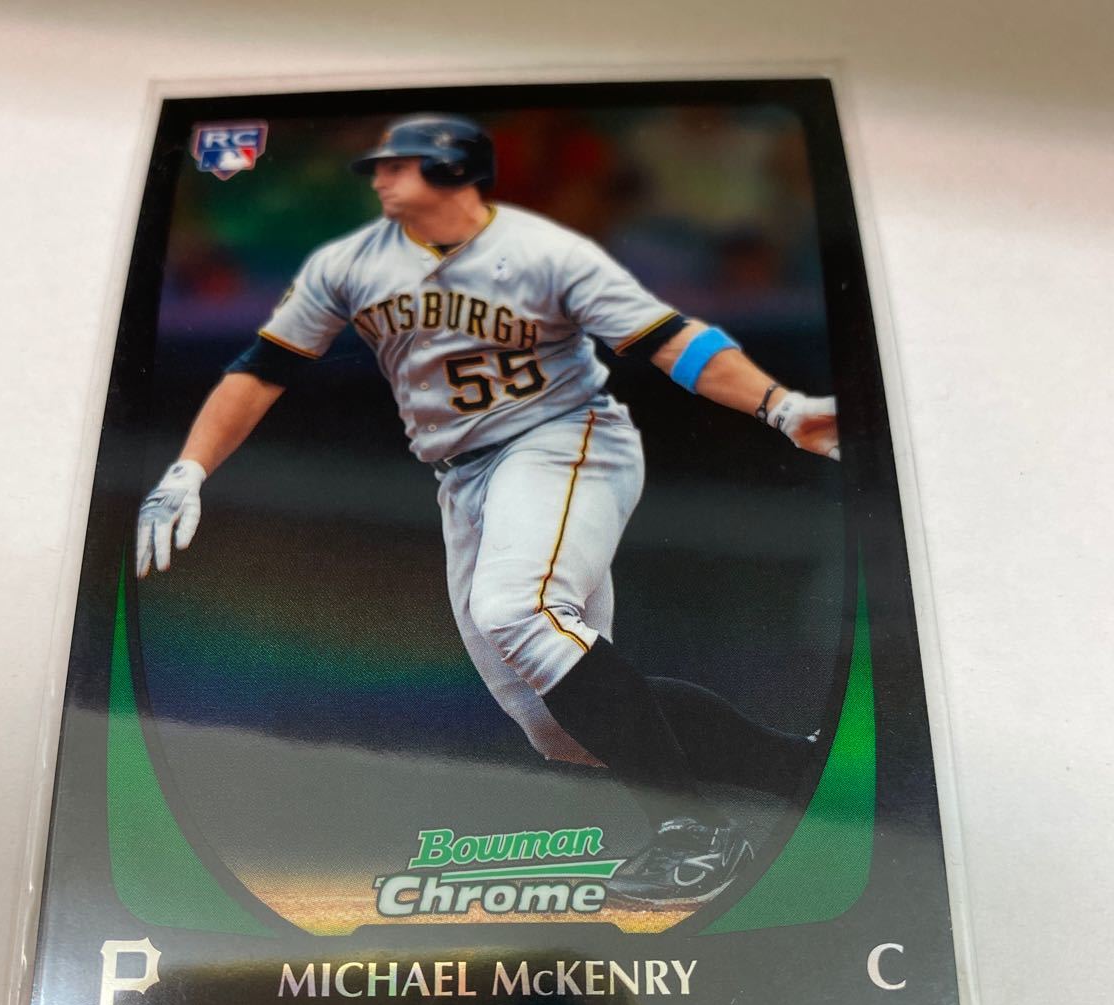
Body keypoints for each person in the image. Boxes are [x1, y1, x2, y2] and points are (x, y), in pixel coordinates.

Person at [136, 113, 839, 908]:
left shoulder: (544, 253)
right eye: (380, 167)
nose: (380, 180)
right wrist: (190, 468)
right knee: (560, 730)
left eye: (399, 167)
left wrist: (779, 405)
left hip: (562, 440)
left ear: (453, 172)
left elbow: (672, 340)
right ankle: (798, 769)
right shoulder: (349, 264)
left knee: (518, 610)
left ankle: (696, 835)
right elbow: (261, 368)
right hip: (463, 477)